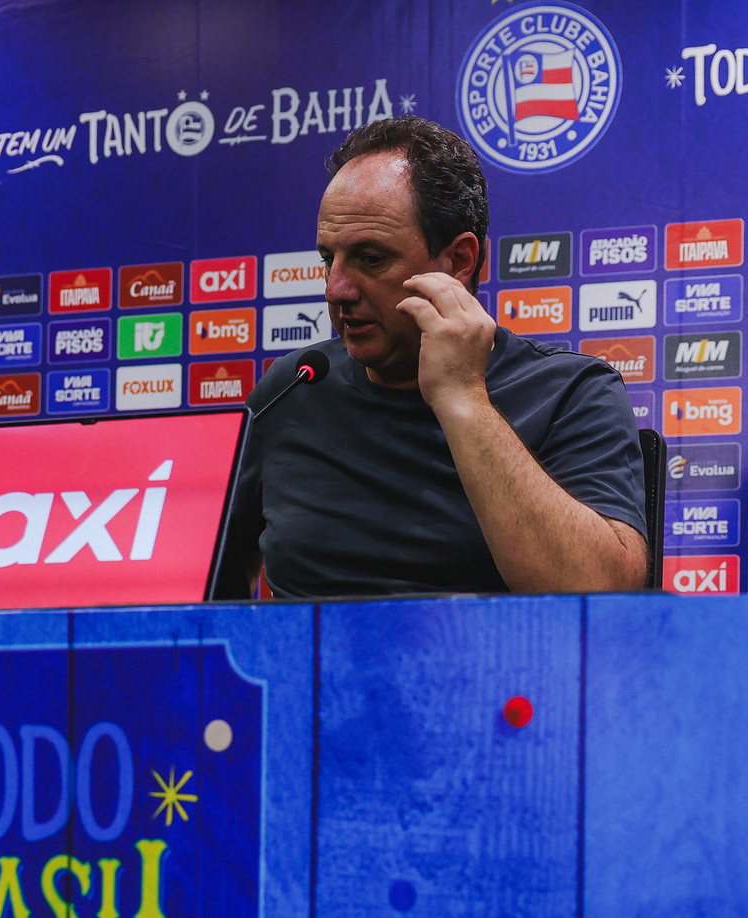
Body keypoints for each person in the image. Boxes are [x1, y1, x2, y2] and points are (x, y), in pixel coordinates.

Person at [222, 116, 648, 598]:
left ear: (460, 261)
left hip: (482, 669)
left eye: (371, 259)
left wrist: (461, 396)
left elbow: (601, 597)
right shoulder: (293, 386)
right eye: (328, 259)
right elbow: (208, 581)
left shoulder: (571, 393)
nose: (336, 289)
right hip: (305, 670)